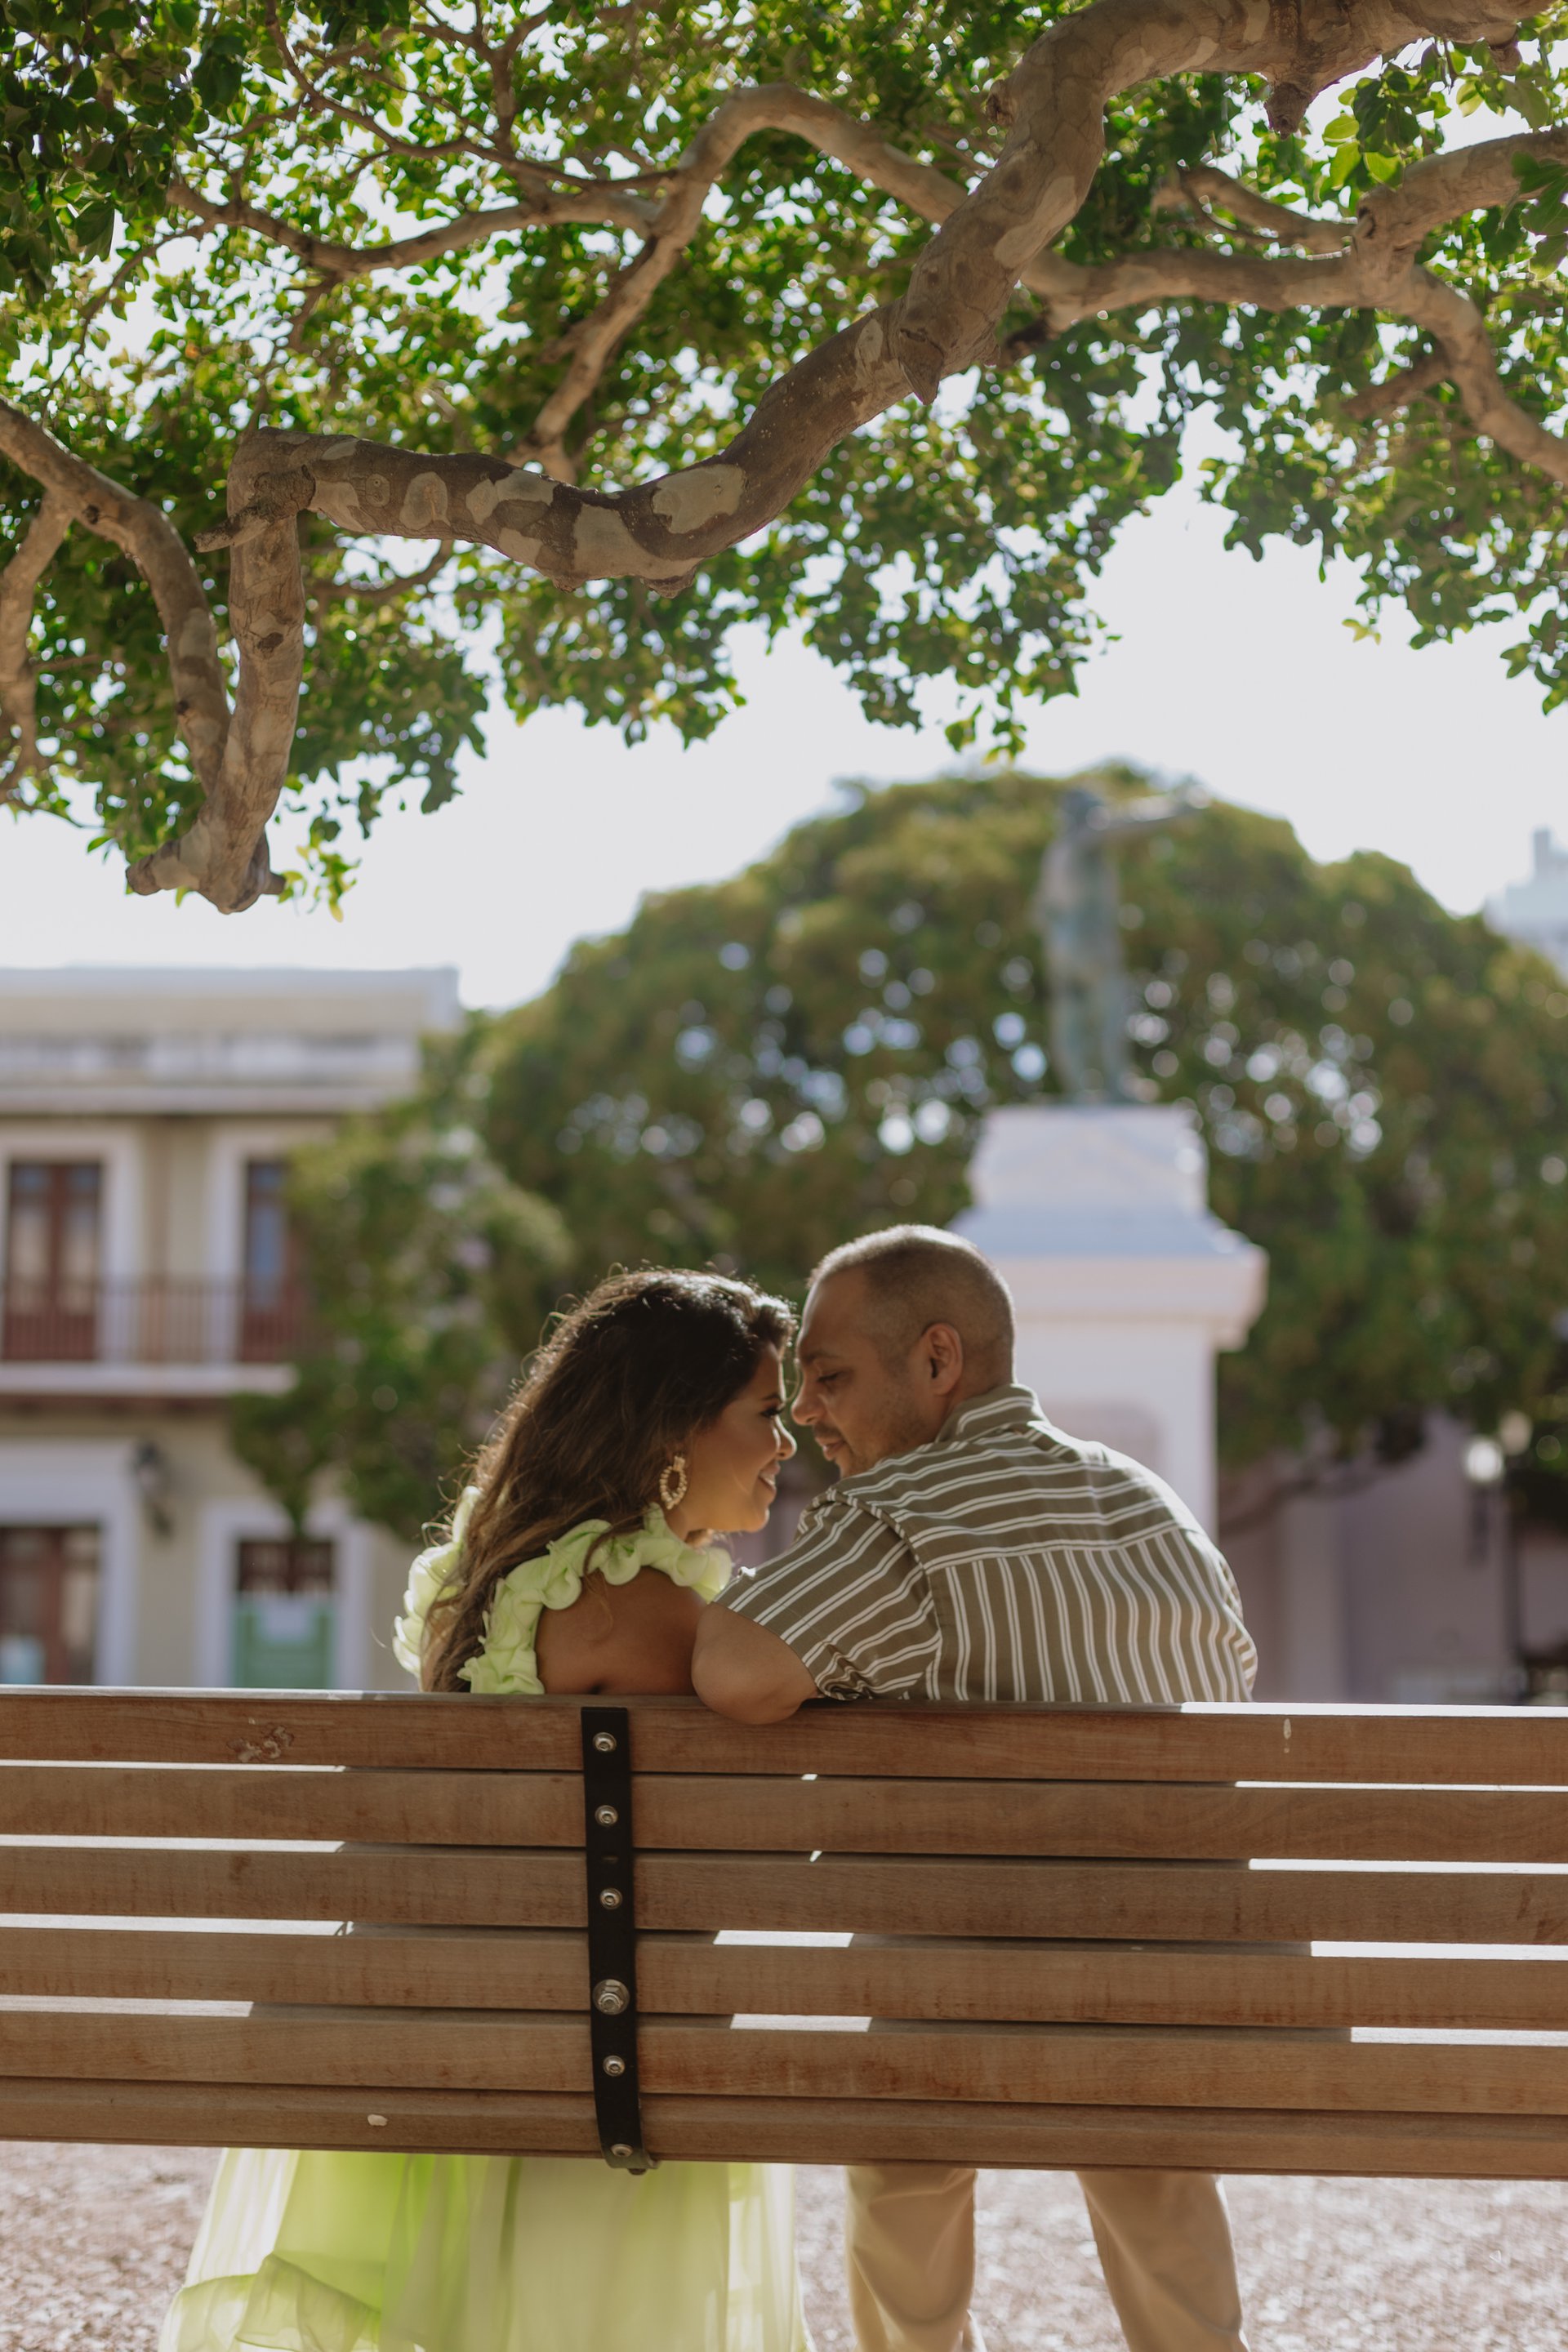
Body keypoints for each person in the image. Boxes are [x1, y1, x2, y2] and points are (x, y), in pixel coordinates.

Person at [163, 1268, 812, 2352]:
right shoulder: (652, 1614)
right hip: (607, 2063)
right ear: (675, 1434)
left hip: (445, 2048)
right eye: (766, 1412)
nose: (786, 1444)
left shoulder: (480, 1579)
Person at [692, 1226, 1257, 2352]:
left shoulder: (902, 1516)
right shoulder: (1157, 1510)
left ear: (939, 1362)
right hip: (1178, 2008)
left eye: (833, 1374)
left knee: (906, 2132)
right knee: (1139, 2127)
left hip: (957, 2000)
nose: (807, 1410)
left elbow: (739, 1672)